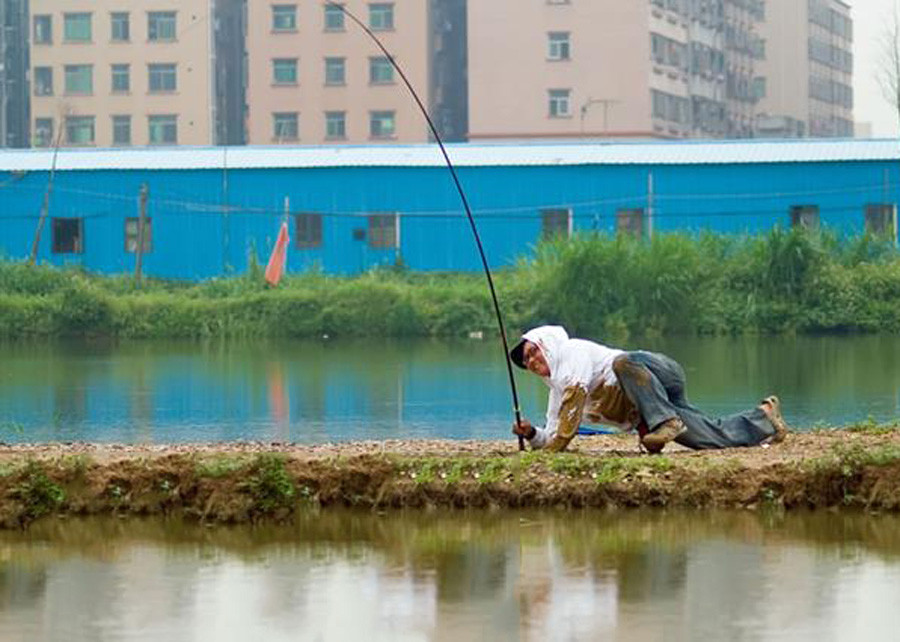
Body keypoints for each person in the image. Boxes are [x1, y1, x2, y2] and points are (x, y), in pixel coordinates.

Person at [509, 325, 789, 453]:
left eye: (534, 352)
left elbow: (567, 426)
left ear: (548, 345)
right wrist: (532, 433)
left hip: (658, 374)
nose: (532, 362)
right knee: (708, 439)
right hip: (649, 409)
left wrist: (554, 450)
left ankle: (666, 422)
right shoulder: (557, 392)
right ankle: (764, 418)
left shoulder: (573, 352)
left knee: (623, 362)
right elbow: (554, 434)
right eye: (526, 361)